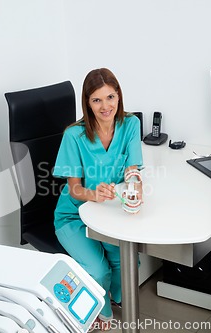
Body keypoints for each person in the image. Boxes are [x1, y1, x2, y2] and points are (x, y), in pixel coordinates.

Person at [52, 68, 143, 331]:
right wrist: (93, 194)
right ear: (87, 102)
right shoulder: (74, 135)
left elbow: (132, 168)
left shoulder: (130, 125)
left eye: (111, 97)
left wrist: (135, 186)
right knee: (99, 269)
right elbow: (74, 189)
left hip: (110, 211)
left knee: (127, 261)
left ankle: (116, 298)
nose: (106, 106)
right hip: (74, 216)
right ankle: (100, 314)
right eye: (97, 100)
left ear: (119, 96)